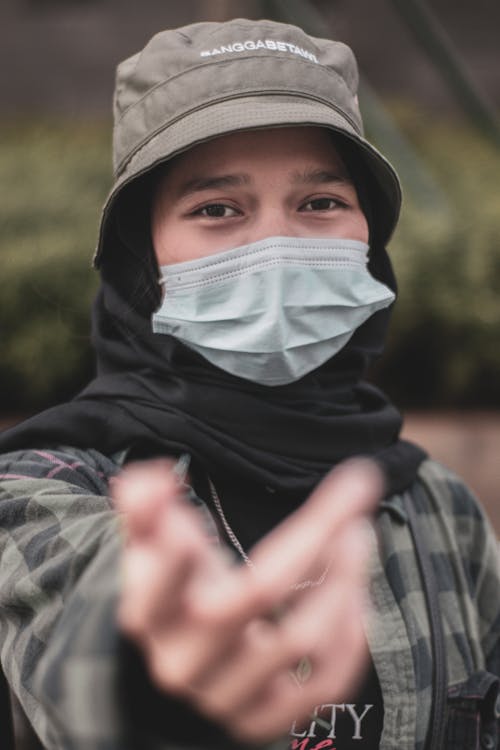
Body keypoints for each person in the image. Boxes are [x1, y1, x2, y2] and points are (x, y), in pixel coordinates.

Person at [0, 17, 498, 750]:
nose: (277, 245)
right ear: (143, 262)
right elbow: (76, 634)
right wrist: (149, 678)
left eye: (321, 203)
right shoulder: (39, 495)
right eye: (216, 209)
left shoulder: (442, 512)